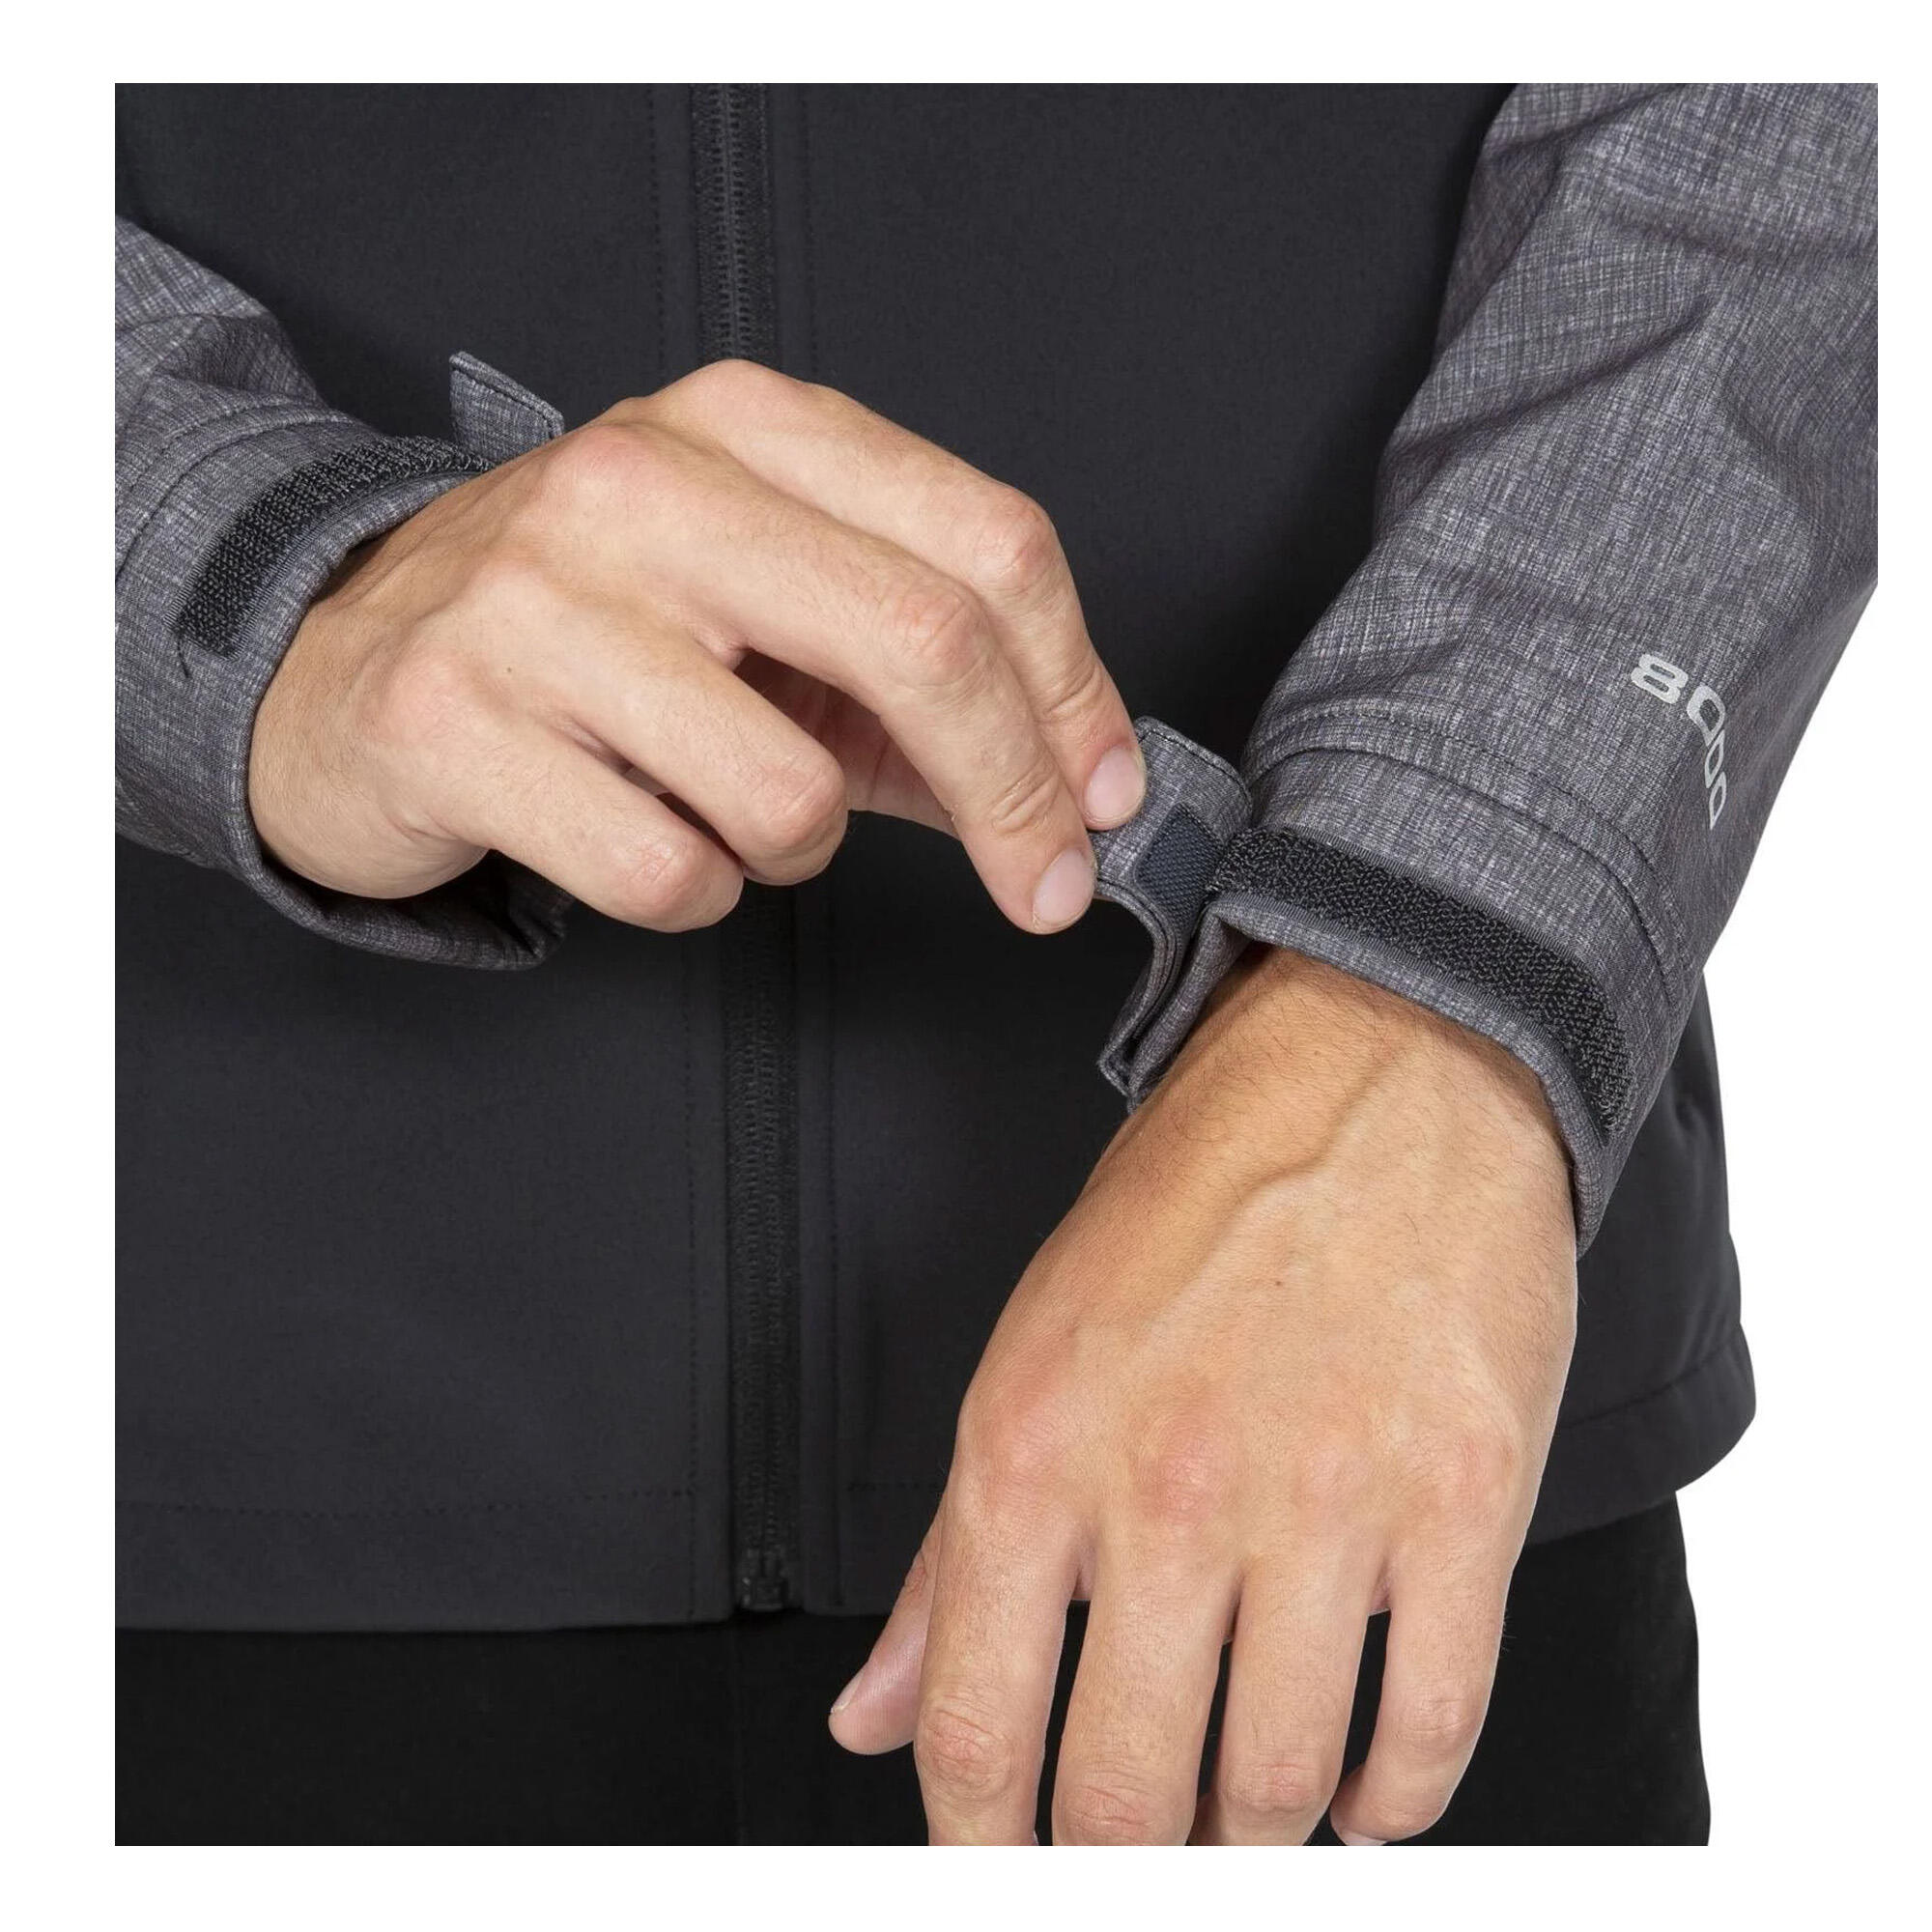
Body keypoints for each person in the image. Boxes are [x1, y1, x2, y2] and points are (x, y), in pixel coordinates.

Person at [115, 82, 1876, 1845]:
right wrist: (244, 566)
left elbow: (1790, 108)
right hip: (188, 1450)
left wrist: (1427, 977)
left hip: (1360, 1406)